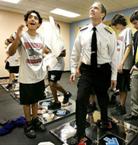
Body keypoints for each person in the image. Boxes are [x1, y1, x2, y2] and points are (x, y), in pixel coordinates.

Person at [70, 1, 117, 144]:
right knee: (80, 99)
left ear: (102, 14)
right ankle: (80, 134)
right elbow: (75, 52)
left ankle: (104, 120)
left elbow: (114, 56)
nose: (92, 9)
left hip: (103, 70)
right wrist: (73, 69)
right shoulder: (83, 31)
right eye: (91, 7)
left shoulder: (109, 32)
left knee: (103, 98)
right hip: (87, 71)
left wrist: (114, 75)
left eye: (96, 8)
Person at [8, 10, 49, 138]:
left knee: (36, 101)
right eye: (30, 17)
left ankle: (36, 120)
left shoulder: (41, 37)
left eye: (35, 18)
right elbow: (11, 51)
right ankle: (28, 123)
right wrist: (18, 37)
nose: (32, 19)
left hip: (39, 76)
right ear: (26, 22)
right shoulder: (22, 36)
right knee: (26, 103)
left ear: (39, 24)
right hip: (26, 77)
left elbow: (45, 51)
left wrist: (48, 50)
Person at [111, 13, 133, 115]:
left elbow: (129, 47)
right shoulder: (119, 34)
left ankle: (122, 107)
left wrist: (122, 63)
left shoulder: (127, 30)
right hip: (119, 64)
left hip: (124, 65)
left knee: (123, 87)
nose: (115, 27)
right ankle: (120, 105)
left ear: (120, 23)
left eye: (116, 24)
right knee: (120, 87)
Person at [47, 24, 71, 110]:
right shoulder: (49, 41)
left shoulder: (60, 41)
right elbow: (46, 52)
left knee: (52, 83)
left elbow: (64, 54)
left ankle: (61, 98)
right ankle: (61, 98)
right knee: (52, 84)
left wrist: (54, 52)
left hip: (58, 65)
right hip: (51, 65)